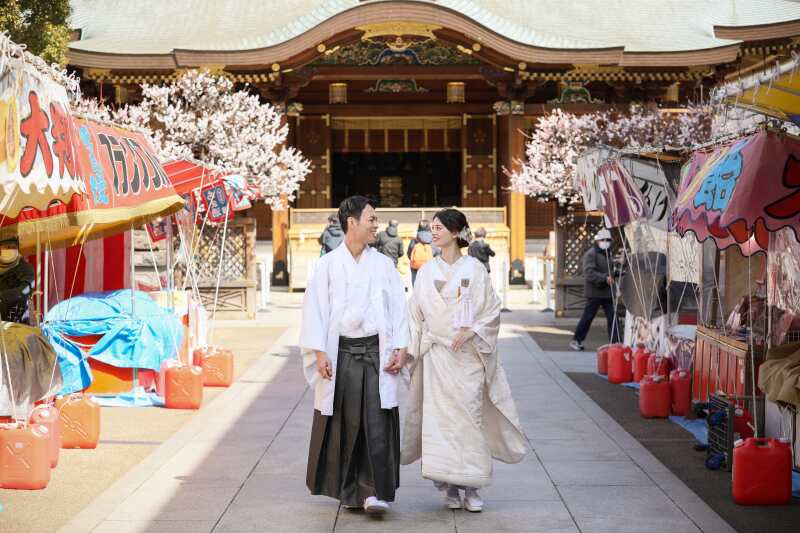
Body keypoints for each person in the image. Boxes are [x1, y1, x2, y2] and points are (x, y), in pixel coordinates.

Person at [401, 208, 527, 512]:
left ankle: (471, 485)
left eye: (440, 227)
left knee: (469, 419)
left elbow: (491, 310)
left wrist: (472, 330)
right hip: (437, 356)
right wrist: (407, 349)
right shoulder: (427, 271)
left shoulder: (475, 269)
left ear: (456, 232)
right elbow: (415, 315)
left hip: (467, 356)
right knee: (441, 422)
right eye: (432, 228)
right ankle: (449, 486)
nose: (434, 233)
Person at [301, 196, 409, 515]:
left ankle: (376, 492)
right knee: (346, 424)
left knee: (377, 422)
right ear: (352, 221)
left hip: (377, 352)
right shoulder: (327, 265)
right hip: (342, 353)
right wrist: (320, 352)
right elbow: (315, 311)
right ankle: (349, 491)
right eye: (371, 219)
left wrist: (401, 348)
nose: (376, 225)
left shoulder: (384, 264)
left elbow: (398, 309)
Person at [570, 228, 620, 351]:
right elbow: (589, 273)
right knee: (588, 317)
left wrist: (617, 272)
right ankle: (577, 340)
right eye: (603, 240)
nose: (606, 242)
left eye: (608, 240)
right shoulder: (591, 254)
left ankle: (616, 342)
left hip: (607, 292)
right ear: (597, 241)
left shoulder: (608, 253)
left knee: (613, 317)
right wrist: (605, 278)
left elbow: (610, 271)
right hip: (594, 292)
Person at [0, 237, 34, 323]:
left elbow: (26, 290)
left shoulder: (26, 268)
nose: (11, 250)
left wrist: (2, 296)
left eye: (14, 247)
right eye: (8, 247)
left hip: (20, 319)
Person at [407, 219, 439, 285]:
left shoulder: (414, 241)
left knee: (417, 288)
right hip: (430, 269)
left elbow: (409, 254)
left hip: (416, 268)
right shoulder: (434, 241)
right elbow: (438, 255)